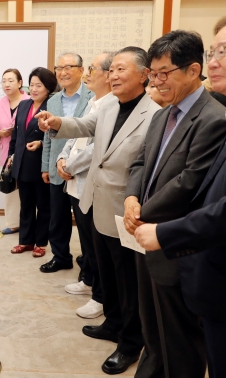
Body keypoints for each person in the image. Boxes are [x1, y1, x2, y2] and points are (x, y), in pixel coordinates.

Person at [134, 12, 226, 378]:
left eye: (224, 51)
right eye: (212, 51)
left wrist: (164, 232)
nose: (211, 62)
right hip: (223, 283)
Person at [37, 46, 160, 374]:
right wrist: (56, 121)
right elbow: (84, 126)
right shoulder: (107, 106)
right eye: (112, 70)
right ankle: (112, 324)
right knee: (105, 273)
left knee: (128, 282)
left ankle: (131, 343)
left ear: (144, 74)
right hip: (96, 202)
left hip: (128, 210)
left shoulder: (156, 112)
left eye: (122, 69)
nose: (113, 75)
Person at [123, 30, 226, 378]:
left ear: (192, 69)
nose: (156, 81)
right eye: (153, 74)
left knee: (180, 337)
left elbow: (189, 181)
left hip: (174, 242)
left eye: (163, 73)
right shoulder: (160, 115)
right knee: (152, 327)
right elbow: (140, 164)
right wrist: (131, 198)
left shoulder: (213, 118)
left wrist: (142, 215)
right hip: (144, 235)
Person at [61, 51, 116, 319]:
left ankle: (100, 296)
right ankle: (88, 280)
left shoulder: (113, 105)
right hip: (74, 184)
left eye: (91, 69)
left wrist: (70, 166)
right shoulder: (92, 101)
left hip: (89, 182)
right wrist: (62, 158)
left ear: (107, 74)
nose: (87, 74)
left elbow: (97, 148)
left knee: (97, 246)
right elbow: (76, 133)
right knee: (84, 239)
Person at [40, 53, 93, 266]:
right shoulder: (52, 101)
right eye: (59, 68)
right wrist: (46, 166)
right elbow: (47, 136)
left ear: (81, 70)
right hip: (57, 166)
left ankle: (88, 261)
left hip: (83, 169)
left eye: (69, 67)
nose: (63, 72)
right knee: (58, 218)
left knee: (84, 220)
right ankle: (60, 257)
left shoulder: (93, 97)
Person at [8, 67, 58, 255]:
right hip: (21, 163)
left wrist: (41, 143)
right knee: (26, 204)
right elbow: (16, 134)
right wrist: (11, 156)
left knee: (43, 205)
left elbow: (58, 136)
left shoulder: (52, 107)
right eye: (33, 85)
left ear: (48, 88)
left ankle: (40, 243)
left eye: (39, 85)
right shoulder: (23, 105)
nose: (34, 89)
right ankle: (26, 240)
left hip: (41, 165)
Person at [0, 69, 29, 234]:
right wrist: (0, 133)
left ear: (20, 83)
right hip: (7, 153)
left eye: (11, 80)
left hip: (27, 153)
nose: (6, 84)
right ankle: (13, 223)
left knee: (27, 189)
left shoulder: (30, 101)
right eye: (4, 80)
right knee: (11, 188)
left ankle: (30, 223)